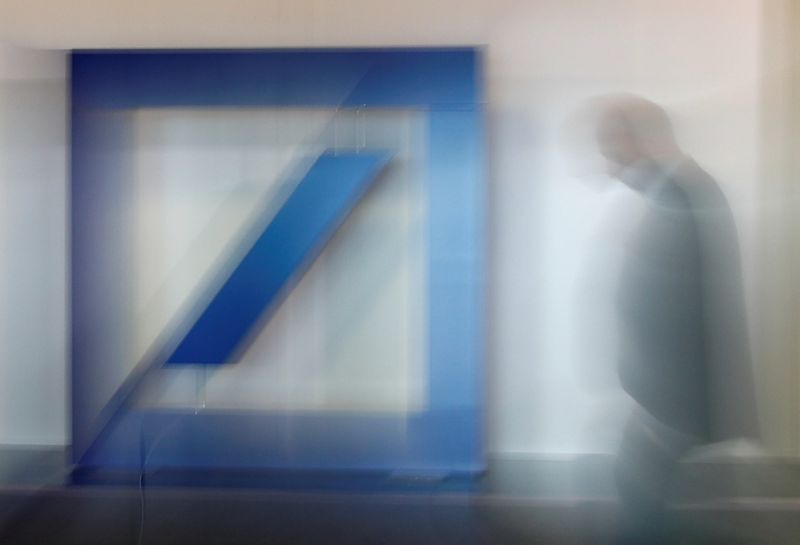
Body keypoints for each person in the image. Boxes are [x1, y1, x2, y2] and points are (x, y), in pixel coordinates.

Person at [589, 94, 759, 544]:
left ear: (636, 141)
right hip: (667, 397)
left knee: (639, 500)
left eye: (611, 151)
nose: (608, 167)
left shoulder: (682, 195)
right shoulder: (678, 191)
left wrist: (658, 405)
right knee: (642, 498)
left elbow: (672, 308)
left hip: (670, 399)